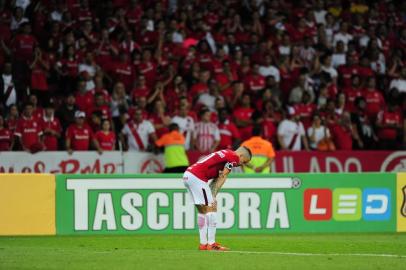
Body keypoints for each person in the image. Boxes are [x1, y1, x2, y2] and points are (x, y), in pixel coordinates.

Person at [183, 146, 252, 251]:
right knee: (212, 208)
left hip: (188, 175)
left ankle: (203, 244)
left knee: (202, 211)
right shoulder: (234, 157)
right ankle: (212, 244)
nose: (241, 164)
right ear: (241, 155)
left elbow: (217, 174)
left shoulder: (226, 153)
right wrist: (213, 195)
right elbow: (223, 176)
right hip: (198, 177)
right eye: (244, 161)